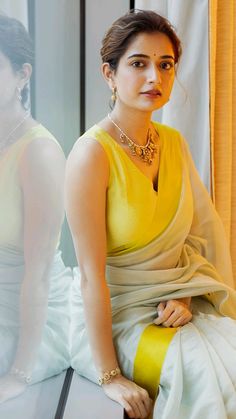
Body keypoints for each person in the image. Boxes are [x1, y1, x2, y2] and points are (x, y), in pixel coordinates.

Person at [66, 9, 236, 419]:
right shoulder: (92, 155)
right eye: (139, 64)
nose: (154, 78)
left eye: (165, 65)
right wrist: (111, 377)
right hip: (120, 315)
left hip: (176, 305)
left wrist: (185, 293)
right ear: (110, 74)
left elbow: (198, 237)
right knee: (202, 377)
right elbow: (90, 277)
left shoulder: (174, 143)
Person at [0, 15, 72, 403]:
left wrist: (19, 372)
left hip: (30, 315)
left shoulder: (38, 152)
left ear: (22, 75)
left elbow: (39, 273)